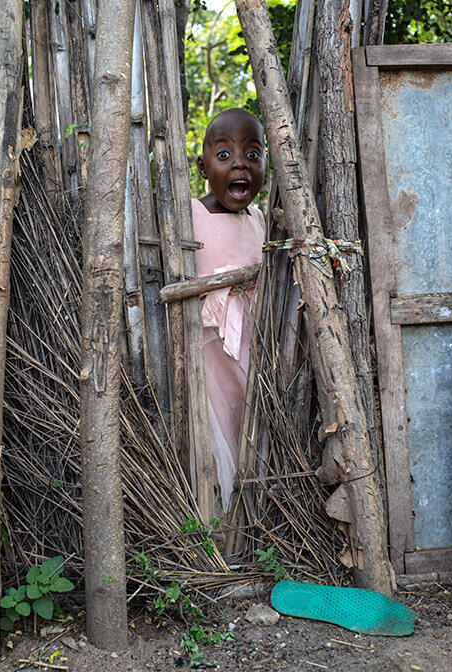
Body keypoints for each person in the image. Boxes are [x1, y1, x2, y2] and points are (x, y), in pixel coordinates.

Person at [192, 108, 267, 512]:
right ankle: (218, 516)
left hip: (256, 342)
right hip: (211, 351)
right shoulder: (191, 216)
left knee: (252, 421)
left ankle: (254, 511)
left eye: (252, 154)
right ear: (202, 166)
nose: (240, 163)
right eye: (224, 155)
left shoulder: (260, 220)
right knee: (217, 425)